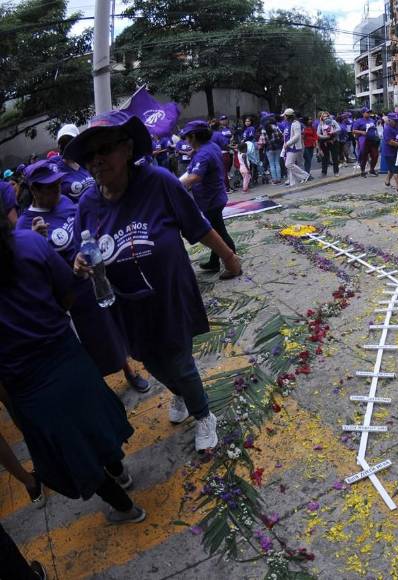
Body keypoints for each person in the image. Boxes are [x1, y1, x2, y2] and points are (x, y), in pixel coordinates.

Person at [65, 110, 241, 452]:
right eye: (90, 155)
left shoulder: (158, 182)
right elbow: (79, 246)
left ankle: (203, 414)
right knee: (150, 360)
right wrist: (79, 261)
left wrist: (231, 259)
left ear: (128, 149)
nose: (97, 160)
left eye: (105, 149)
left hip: (168, 295)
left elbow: (199, 225)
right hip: (124, 304)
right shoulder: (88, 201)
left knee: (178, 361)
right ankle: (179, 392)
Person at [0, 211, 146, 524]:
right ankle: (120, 474)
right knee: (93, 420)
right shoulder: (29, 243)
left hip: (26, 382)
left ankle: (124, 507)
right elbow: (67, 290)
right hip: (64, 353)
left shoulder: (27, 242)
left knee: (71, 450)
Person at [16, 159, 149, 391]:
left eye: (57, 183)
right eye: (48, 187)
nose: (57, 190)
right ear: (34, 190)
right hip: (72, 293)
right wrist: (34, 239)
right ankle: (105, 382)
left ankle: (128, 369)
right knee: (95, 338)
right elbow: (27, 270)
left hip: (97, 276)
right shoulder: (25, 226)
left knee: (115, 325)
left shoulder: (66, 201)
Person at [178, 121, 238, 278]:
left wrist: (175, 185)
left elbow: (195, 177)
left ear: (194, 136)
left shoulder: (204, 153)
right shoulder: (210, 146)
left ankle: (233, 265)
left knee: (218, 233)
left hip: (211, 199)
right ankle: (214, 261)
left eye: (187, 136)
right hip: (214, 196)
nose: (186, 140)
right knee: (217, 229)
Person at [55, 124, 95, 203]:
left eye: (70, 141)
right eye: (63, 142)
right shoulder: (56, 170)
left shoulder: (85, 163)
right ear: (59, 146)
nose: (67, 146)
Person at [381, 113, 398, 194]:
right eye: (394, 120)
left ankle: (387, 181)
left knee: (392, 169)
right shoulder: (387, 129)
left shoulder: (397, 126)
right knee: (396, 169)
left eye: (397, 120)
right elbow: (390, 142)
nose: (396, 122)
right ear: (389, 120)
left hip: (397, 151)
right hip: (389, 152)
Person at [281, 109, 310, 187]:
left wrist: (287, 143)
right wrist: (285, 145)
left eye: (284, 116)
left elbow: (297, 136)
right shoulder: (287, 123)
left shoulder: (296, 123)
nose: (284, 117)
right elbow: (286, 135)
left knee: (288, 164)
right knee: (290, 165)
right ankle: (292, 183)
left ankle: (305, 175)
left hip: (294, 147)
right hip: (288, 147)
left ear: (288, 116)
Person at [353, 108, 380, 177]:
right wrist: (361, 132)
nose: (368, 113)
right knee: (364, 156)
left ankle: (372, 169)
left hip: (373, 140)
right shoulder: (358, 121)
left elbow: (375, 128)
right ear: (363, 113)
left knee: (375, 155)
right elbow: (353, 131)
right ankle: (363, 171)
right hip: (364, 140)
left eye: (369, 112)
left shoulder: (372, 120)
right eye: (367, 112)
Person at [317, 111, 341, 177]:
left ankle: (336, 172)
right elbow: (318, 134)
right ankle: (324, 172)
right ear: (321, 117)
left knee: (335, 157)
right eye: (324, 116)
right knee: (324, 158)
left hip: (333, 141)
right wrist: (325, 137)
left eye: (327, 116)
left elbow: (339, 128)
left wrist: (333, 132)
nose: (325, 117)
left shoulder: (333, 122)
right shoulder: (320, 124)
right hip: (324, 142)